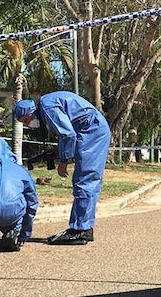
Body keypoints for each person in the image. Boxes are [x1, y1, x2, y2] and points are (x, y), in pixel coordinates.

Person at [14, 91, 111, 245]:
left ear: (30, 112)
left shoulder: (46, 107)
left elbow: (68, 134)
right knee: (86, 180)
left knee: (85, 179)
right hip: (91, 131)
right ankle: (84, 227)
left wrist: (63, 161)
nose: (28, 125)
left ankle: (80, 230)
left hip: (92, 132)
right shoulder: (46, 104)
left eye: (26, 121)